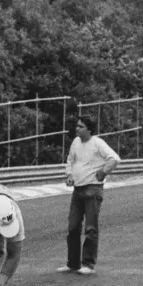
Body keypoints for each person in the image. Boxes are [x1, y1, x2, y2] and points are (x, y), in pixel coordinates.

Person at [57, 117, 120, 276]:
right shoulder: (75, 143)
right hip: (77, 189)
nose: (77, 129)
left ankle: (88, 263)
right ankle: (72, 263)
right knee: (72, 227)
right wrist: (69, 174)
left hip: (93, 189)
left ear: (89, 129)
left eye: (80, 126)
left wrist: (104, 171)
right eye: (77, 126)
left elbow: (114, 158)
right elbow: (70, 161)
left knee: (90, 228)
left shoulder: (97, 143)